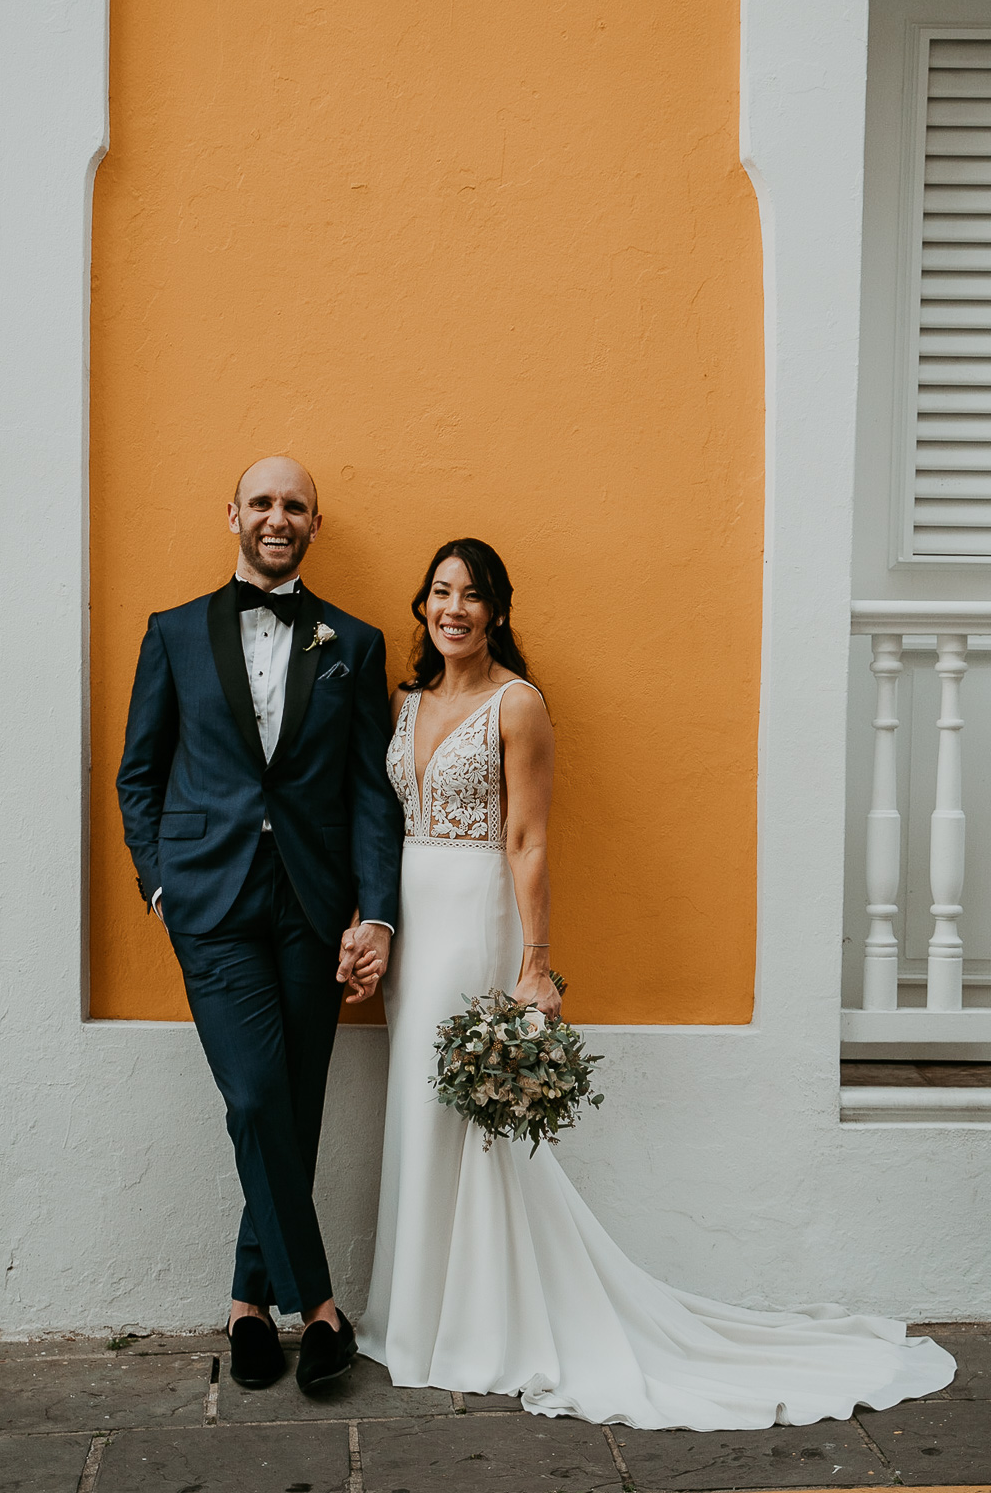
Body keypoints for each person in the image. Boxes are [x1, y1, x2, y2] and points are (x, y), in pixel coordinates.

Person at [355, 537, 955, 1428]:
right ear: (422, 604)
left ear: (498, 611)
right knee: (418, 1108)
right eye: (440, 592)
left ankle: (478, 1325)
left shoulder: (517, 705)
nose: (453, 609)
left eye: (472, 596)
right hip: (416, 918)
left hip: (477, 918)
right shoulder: (405, 706)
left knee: (470, 1123)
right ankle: (414, 1316)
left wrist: (533, 965)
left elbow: (528, 840)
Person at [117, 457, 403, 1395]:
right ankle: (319, 1307)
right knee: (253, 1098)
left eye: (296, 506)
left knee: (294, 1101)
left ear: (316, 525)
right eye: (262, 502)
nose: (277, 518)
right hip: (209, 903)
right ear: (231, 513)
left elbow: (371, 792)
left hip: (313, 906)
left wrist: (377, 912)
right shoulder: (172, 634)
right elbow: (140, 774)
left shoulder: (353, 644)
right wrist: (160, 884)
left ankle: (246, 1307)